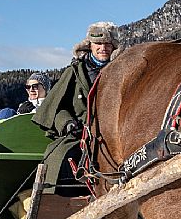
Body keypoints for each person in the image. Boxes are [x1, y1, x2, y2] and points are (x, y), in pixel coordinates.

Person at [33, 21, 119, 193]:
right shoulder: (74, 73)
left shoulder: (121, 72)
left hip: (114, 135)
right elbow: (56, 108)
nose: (103, 48)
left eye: (108, 44)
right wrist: (67, 123)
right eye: (99, 44)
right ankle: (59, 204)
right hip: (80, 135)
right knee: (61, 158)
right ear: (90, 46)